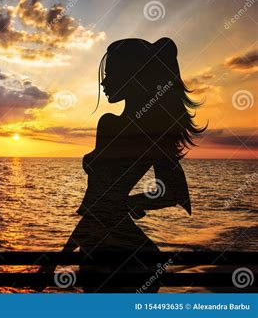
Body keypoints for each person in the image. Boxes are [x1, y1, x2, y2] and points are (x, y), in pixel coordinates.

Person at [38, 38, 206, 293]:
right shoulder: (154, 132)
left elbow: (98, 208)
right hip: (138, 255)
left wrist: (56, 261)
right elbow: (177, 195)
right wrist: (132, 201)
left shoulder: (110, 126)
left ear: (134, 77)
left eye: (112, 74)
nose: (104, 82)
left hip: (107, 255)